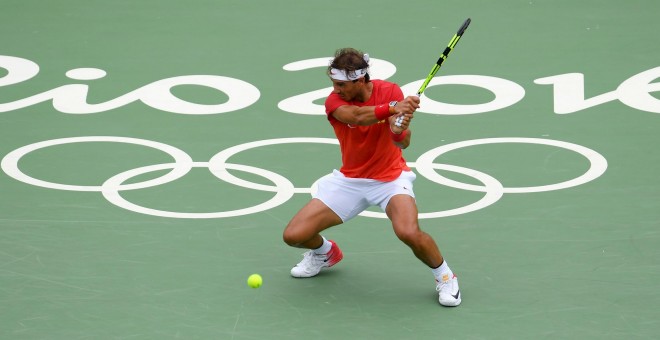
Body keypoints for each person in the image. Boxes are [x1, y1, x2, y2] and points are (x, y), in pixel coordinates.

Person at [282, 48, 461, 307]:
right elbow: (355, 117)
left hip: (389, 178)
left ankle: (445, 276)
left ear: (361, 80)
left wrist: (399, 128)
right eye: (334, 84)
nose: (336, 89)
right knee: (294, 235)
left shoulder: (390, 91)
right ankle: (325, 253)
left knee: (408, 231)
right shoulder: (335, 102)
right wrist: (392, 109)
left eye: (342, 85)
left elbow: (402, 142)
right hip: (349, 181)